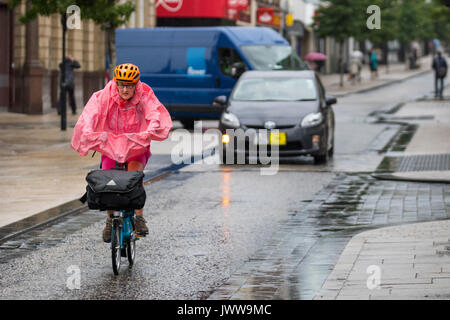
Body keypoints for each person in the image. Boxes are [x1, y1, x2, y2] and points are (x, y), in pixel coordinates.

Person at [71, 63, 172, 242]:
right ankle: (110, 221)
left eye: (129, 85)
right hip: (111, 145)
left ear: (136, 85)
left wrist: (151, 128)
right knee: (108, 181)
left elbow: (154, 113)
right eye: (121, 85)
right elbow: (91, 114)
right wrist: (88, 130)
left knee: (135, 176)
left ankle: (139, 218)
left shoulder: (144, 96)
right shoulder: (104, 96)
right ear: (116, 83)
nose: (125, 89)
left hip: (136, 145)